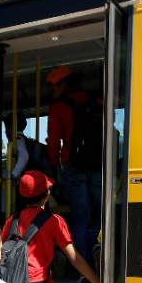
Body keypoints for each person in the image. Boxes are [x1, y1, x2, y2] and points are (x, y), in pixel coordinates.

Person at [46, 65, 102, 266]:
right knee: (100, 214)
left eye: (53, 87)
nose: (52, 91)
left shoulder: (58, 107)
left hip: (73, 166)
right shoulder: (97, 101)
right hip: (99, 165)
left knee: (79, 217)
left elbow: (53, 142)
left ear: (63, 85)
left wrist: (52, 167)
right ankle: (99, 251)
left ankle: (84, 267)